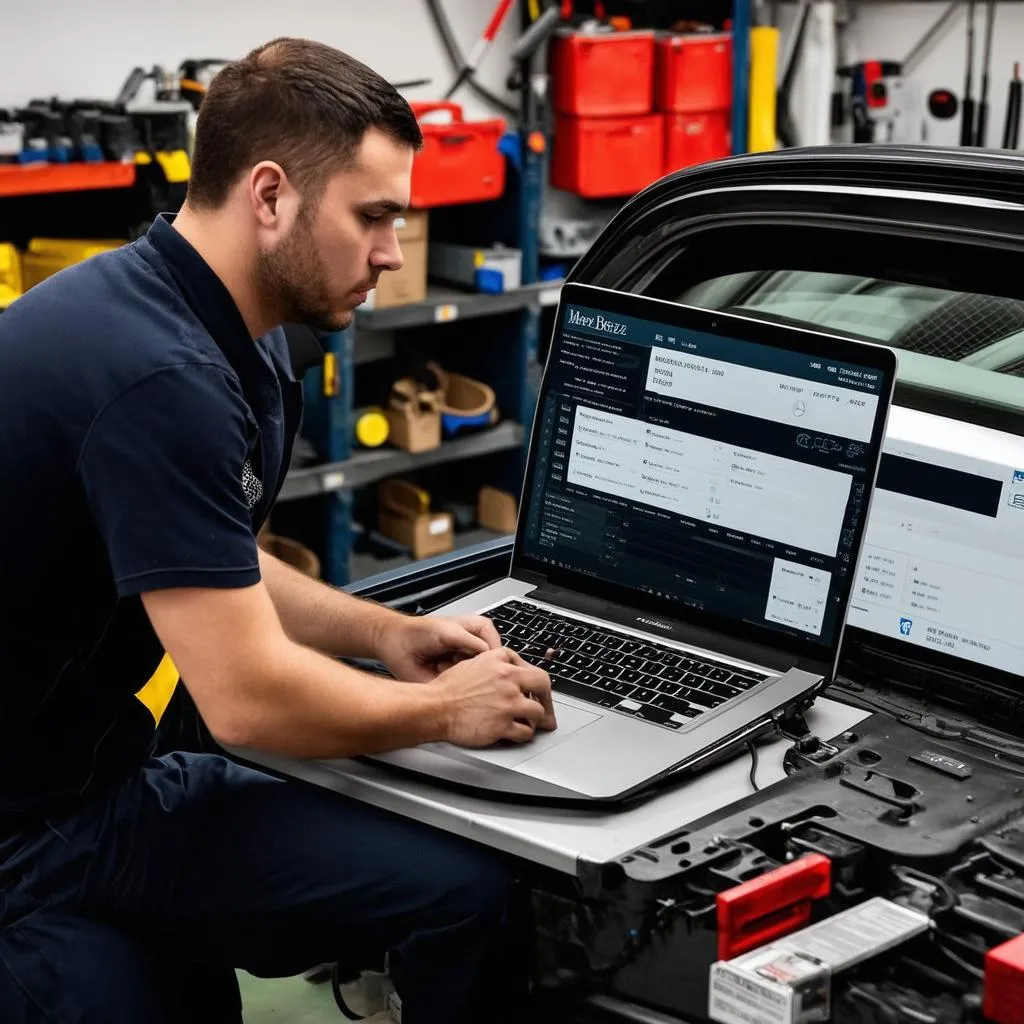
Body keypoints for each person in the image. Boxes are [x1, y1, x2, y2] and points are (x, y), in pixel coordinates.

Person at [0, 37, 556, 1024]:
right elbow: (248, 701)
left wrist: (385, 634)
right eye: (374, 216)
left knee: (458, 890)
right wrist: (444, 709)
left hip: (94, 785)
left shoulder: (222, 327)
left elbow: (209, 561)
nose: (393, 251)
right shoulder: (156, 373)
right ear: (270, 197)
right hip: (21, 843)